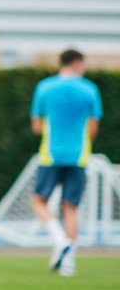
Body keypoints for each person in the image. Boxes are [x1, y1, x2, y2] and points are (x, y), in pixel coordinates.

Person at [30, 49, 103, 278]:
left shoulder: (44, 87)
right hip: (79, 156)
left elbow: (36, 126)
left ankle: (59, 239)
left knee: (39, 201)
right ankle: (69, 262)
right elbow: (92, 130)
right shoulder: (90, 89)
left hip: (50, 155)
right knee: (71, 207)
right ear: (78, 62)